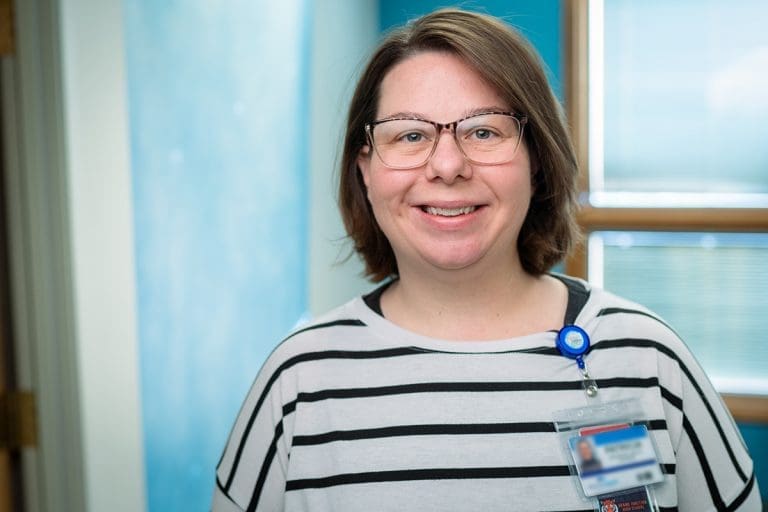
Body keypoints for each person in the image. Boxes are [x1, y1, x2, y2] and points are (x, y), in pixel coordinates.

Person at [212, 8, 761, 511]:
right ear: (365, 168)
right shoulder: (299, 380)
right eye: (409, 134)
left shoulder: (646, 358)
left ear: (536, 161)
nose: (447, 165)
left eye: (483, 131)